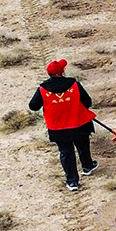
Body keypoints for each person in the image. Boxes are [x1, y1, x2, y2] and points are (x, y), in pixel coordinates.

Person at [29, 59, 97, 191]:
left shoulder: (42, 89)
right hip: (79, 123)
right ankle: (87, 166)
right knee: (83, 144)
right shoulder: (74, 84)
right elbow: (87, 102)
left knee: (66, 152)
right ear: (62, 72)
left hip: (58, 128)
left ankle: (72, 182)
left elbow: (33, 106)